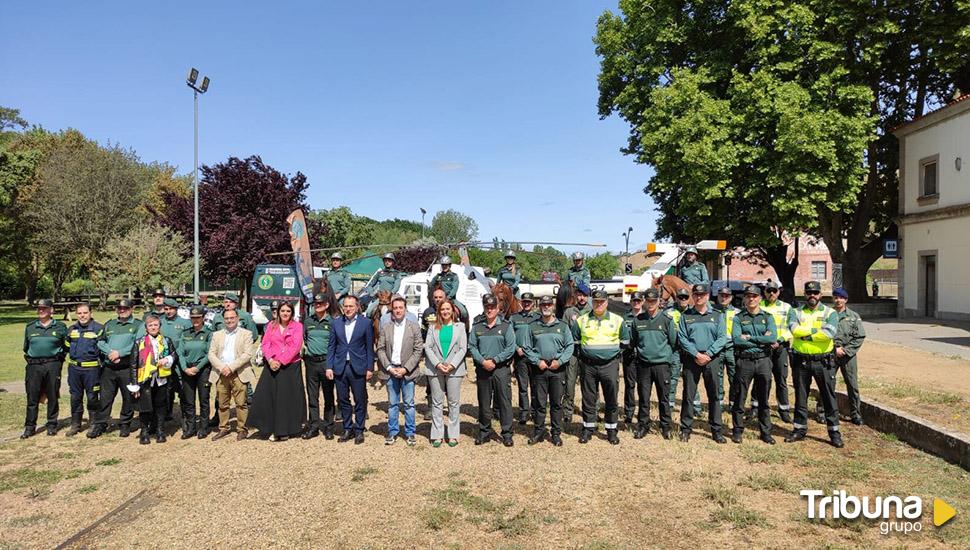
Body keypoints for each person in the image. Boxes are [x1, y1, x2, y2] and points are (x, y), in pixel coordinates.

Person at [785, 281, 843, 448]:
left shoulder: (830, 312)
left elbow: (829, 332)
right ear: (805, 294)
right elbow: (793, 329)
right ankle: (799, 429)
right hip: (801, 361)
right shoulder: (795, 311)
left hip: (823, 361)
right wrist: (815, 332)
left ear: (820, 295)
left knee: (828, 397)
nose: (812, 295)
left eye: (815, 293)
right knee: (800, 397)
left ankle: (834, 433)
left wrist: (807, 335)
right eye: (809, 292)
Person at [573, 289, 630, 445]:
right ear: (592, 302)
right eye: (596, 301)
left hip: (609, 365)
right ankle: (588, 429)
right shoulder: (581, 320)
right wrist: (586, 356)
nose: (599, 304)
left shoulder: (618, 320)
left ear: (607, 302)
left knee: (611, 398)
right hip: (588, 365)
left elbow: (625, 341)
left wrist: (612, 355)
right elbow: (576, 342)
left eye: (602, 302)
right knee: (588, 398)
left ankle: (611, 430)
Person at [677, 283, 728, 443]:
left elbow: (722, 338)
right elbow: (682, 338)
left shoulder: (718, 315)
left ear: (707, 296)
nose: (699, 297)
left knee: (714, 395)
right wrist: (696, 354)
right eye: (696, 294)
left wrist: (709, 354)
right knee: (688, 395)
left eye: (702, 294)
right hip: (692, 359)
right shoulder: (686, 316)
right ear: (693, 296)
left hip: (711, 359)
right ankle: (685, 429)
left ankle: (716, 430)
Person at [248, 301, 305, 441]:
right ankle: (268, 427)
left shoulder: (297, 326)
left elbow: (295, 347)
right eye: (283, 311)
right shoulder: (271, 326)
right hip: (272, 365)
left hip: (289, 366)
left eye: (288, 311)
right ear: (278, 312)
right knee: (269, 397)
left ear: (292, 313)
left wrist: (281, 361)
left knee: (286, 399)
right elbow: (265, 344)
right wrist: (271, 359)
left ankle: (285, 429)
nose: (285, 313)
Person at [523, 295, 573, 446]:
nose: (546, 307)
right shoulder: (532, 326)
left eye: (549, 304)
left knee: (556, 403)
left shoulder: (563, 326)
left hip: (557, 369)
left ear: (553, 307)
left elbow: (570, 346)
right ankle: (538, 431)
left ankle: (556, 433)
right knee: (539, 403)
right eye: (543, 305)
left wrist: (561, 361)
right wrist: (537, 361)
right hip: (540, 369)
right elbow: (526, 347)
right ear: (539, 307)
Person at [730, 286, 778, 445]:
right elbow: (737, 339)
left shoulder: (768, 317)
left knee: (764, 398)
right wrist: (761, 338)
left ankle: (766, 432)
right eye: (748, 296)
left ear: (760, 299)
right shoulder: (738, 318)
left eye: (754, 296)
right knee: (740, 397)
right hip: (744, 361)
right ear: (744, 299)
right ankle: (737, 430)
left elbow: (772, 339)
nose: (751, 299)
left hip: (763, 361)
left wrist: (749, 337)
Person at [89, 299, 142, 438]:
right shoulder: (109, 324)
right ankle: (100, 423)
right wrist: (111, 352)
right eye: (120, 308)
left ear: (132, 308)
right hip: (109, 367)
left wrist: (120, 353)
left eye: (125, 308)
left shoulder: (138, 325)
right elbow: (100, 341)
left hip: (127, 367)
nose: (122, 310)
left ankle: (125, 423)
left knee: (128, 397)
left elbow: (138, 343)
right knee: (105, 397)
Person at [469, 294, 517, 446]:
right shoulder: (477, 326)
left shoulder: (506, 326)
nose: (489, 310)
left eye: (492, 307)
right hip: (483, 369)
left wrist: (495, 360)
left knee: (504, 401)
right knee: (484, 402)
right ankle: (484, 432)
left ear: (498, 308)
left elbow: (510, 348)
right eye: (487, 307)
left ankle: (507, 433)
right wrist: (483, 361)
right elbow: (472, 346)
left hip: (500, 369)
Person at [629, 288, 677, 440]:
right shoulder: (638, 320)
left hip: (662, 365)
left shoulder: (666, 320)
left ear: (658, 302)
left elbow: (673, 342)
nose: (650, 304)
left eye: (653, 301)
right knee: (644, 397)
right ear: (644, 302)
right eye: (648, 301)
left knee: (664, 398)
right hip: (644, 365)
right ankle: (643, 426)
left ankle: (666, 427)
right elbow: (634, 341)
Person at [377, 295, 424, 445]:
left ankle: (410, 433)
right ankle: (392, 432)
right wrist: (389, 368)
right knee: (392, 404)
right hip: (391, 370)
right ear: (392, 309)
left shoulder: (414, 326)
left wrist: (405, 368)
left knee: (409, 404)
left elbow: (418, 350)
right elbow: (380, 349)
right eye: (395, 308)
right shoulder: (386, 327)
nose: (398, 310)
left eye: (400, 308)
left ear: (405, 309)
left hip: (407, 372)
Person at [327, 295, 374, 444]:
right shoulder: (336, 323)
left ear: (357, 307)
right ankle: (347, 428)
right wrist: (329, 366)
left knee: (360, 400)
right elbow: (331, 347)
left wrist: (370, 368)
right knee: (343, 399)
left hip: (358, 367)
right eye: (345, 306)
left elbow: (369, 347)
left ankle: (359, 429)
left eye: (351, 306)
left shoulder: (366, 323)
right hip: (340, 366)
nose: (348, 309)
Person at [22, 299, 68, 438]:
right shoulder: (30, 327)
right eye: (39, 308)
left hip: (52, 364)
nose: (41, 311)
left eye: (44, 308)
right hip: (34, 365)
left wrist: (58, 361)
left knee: (52, 395)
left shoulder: (60, 327)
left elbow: (66, 346)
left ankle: (52, 424)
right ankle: (30, 427)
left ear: (51, 310)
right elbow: (26, 347)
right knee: (32, 396)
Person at [423, 300, 467, 447]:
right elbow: (427, 347)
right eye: (443, 309)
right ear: (439, 311)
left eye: (448, 309)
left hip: (454, 369)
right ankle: (437, 434)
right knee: (437, 402)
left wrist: (452, 364)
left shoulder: (460, 327)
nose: (445, 312)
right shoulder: (432, 327)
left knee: (453, 403)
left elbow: (463, 348)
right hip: (436, 368)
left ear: (452, 310)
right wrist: (437, 363)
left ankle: (453, 434)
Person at [208, 308, 255, 441]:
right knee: (222, 403)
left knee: (241, 403)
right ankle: (224, 428)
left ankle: (242, 429)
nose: (229, 320)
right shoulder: (216, 335)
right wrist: (222, 367)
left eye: (232, 318)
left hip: (238, 372)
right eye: (227, 318)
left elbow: (247, 354)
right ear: (224, 320)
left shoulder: (246, 334)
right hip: (221, 373)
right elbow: (211, 354)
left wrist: (231, 367)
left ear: (237, 318)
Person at [129, 315, 176, 444]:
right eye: (150, 325)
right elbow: (133, 364)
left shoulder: (166, 341)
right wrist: (134, 384)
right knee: (145, 406)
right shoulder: (139, 342)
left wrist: (168, 359)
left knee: (160, 405)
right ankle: (144, 431)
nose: (153, 327)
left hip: (161, 378)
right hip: (145, 378)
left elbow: (174, 355)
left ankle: (160, 430)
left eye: (155, 325)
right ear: (146, 328)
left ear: (159, 327)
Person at [755, 281, 793, 423]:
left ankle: (784, 409)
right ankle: (756, 407)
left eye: (774, 291)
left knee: (781, 379)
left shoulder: (786, 307)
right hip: (763, 347)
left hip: (781, 347)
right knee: (761, 379)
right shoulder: (759, 306)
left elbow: (792, 327)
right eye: (768, 290)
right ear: (764, 292)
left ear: (779, 292)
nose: (771, 293)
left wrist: (781, 339)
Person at [828, 288, 867, 425]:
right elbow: (822, 334)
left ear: (846, 300)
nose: (838, 300)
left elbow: (860, 336)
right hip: (830, 354)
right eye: (835, 297)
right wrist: (834, 348)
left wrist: (845, 350)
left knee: (852, 385)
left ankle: (855, 414)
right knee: (827, 384)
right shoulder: (827, 314)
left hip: (848, 356)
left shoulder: (853, 316)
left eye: (841, 298)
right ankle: (824, 412)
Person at [65, 303, 102, 437]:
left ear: (91, 313)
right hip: (74, 369)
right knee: (75, 397)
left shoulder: (98, 329)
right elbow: (66, 347)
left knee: (92, 397)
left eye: (85, 313)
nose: (82, 315)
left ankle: (94, 424)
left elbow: (102, 351)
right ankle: (75, 424)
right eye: (79, 313)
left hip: (91, 370)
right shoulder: (71, 329)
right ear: (76, 314)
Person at [303, 293, 336, 440]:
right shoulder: (308, 321)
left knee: (328, 396)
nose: (318, 306)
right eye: (316, 304)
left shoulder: (333, 322)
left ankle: (329, 426)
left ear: (327, 305)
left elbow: (335, 344)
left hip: (326, 363)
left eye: (321, 303)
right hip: (311, 362)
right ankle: (314, 426)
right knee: (312, 396)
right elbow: (304, 340)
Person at [176, 306, 212, 439]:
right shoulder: (186, 333)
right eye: (193, 318)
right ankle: (190, 428)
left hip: (202, 370)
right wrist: (185, 368)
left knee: (204, 399)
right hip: (187, 370)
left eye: (198, 317)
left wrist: (197, 368)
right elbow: (180, 352)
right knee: (189, 401)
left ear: (203, 318)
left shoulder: (208, 333)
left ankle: (204, 427)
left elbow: (209, 353)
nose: (195, 320)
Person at [561, 282, 592, 424]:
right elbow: (563, 333)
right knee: (569, 383)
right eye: (579, 295)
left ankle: (592, 410)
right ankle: (567, 412)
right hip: (572, 353)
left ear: (588, 296)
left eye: (584, 295)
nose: (581, 298)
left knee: (590, 384)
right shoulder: (569, 312)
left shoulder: (592, 312)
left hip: (588, 354)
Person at [665, 288, 699, 415]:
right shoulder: (668, 312)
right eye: (681, 297)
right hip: (675, 350)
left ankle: (696, 407)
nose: (683, 300)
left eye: (685, 297)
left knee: (691, 379)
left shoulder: (694, 312)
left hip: (690, 350)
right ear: (676, 298)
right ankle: (670, 405)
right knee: (672, 378)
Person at [509, 292, 539, 425]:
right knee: (522, 386)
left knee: (535, 385)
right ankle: (524, 412)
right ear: (521, 302)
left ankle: (535, 411)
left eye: (529, 302)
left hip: (534, 356)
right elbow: (510, 336)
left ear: (533, 303)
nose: (527, 304)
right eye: (524, 301)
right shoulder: (514, 318)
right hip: (520, 356)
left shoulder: (539, 317)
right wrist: (516, 348)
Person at [420, 288, 448, 421]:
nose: (437, 299)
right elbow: (423, 331)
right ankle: (431, 407)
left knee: (449, 381)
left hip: (448, 353)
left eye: (440, 297)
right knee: (430, 381)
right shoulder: (428, 312)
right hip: (432, 353)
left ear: (444, 297)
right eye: (435, 297)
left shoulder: (451, 310)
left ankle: (450, 407)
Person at [713, 287, 739, 408]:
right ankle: (719, 403)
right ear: (717, 297)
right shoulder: (712, 311)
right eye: (721, 296)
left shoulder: (737, 312)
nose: (724, 298)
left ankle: (733, 402)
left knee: (734, 376)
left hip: (732, 349)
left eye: (726, 296)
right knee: (717, 377)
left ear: (731, 298)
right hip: (717, 350)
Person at [621, 292, 644, 425]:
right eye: (634, 300)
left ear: (642, 301)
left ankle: (642, 412)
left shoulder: (647, 316)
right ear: (631, 302)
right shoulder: (625, 318)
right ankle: (629, 412)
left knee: (643, 386)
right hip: (629, 355)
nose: (636, 303)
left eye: (638, 300)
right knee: (629, 385)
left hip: (643, 356)